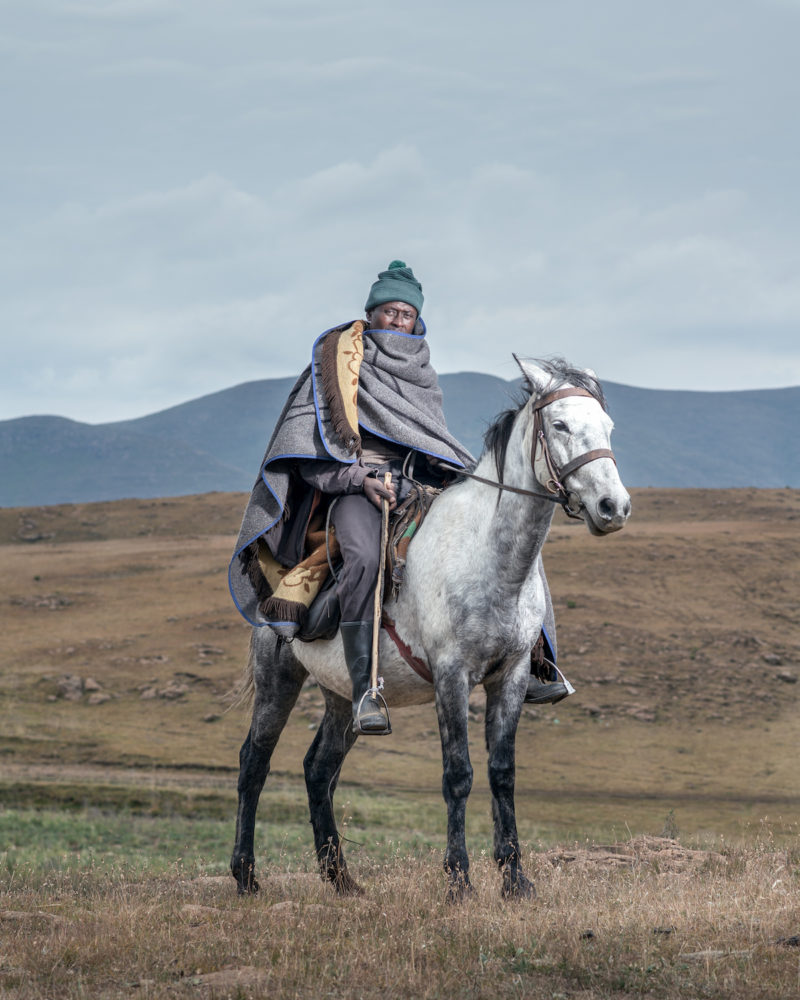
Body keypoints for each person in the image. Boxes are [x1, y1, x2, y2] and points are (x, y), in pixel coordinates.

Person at [229, 261, 568, 735]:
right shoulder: (337, 366)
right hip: (355, 488)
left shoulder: (422, 373)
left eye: (406, 314)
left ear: (417, 321)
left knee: (508, 537)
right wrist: (358, 479)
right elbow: (303, 454)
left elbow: (430, 441)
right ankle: (368, 688)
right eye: (389, 311)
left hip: (419, 486)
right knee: (366, 556)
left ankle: (537, 660)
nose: (397, 321)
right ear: (371, 314)